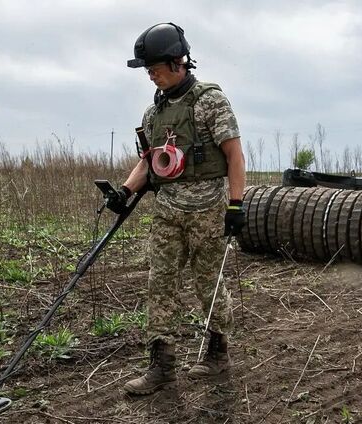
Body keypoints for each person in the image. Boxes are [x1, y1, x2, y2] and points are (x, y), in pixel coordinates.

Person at [105, 22, 246, 395]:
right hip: (168, 210)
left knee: (207, 285)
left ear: (176, 61)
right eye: (147, 70)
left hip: (207, 210)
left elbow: (234, 155)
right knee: (159, 283)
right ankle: (161, 366)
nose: (150, 75)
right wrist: (124, 190)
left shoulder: (210, 101)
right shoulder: (154, 114)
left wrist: (236, 204)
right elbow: (151, 162)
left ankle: (217, 353)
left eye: (153, 68)